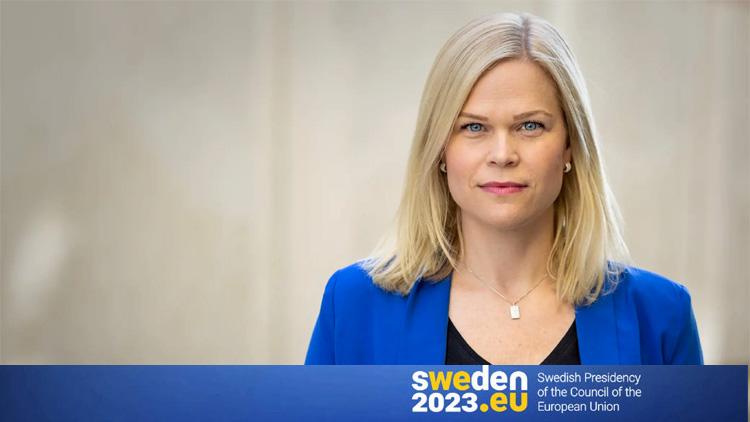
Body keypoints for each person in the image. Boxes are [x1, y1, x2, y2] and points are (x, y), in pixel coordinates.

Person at [305, 12, 703, 365]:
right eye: (473, 127)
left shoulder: (662, 316)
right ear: (440, 149)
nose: (502, 154)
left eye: (530, 125)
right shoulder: (355, 305)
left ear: (570, 144)